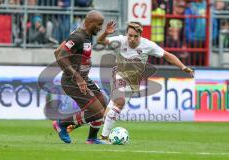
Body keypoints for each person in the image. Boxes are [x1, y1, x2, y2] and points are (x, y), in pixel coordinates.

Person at [96, 21, 194, 140]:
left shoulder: (148, 45)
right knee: (120, 102)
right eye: (130, 35)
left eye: (135, 36)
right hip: (119, 76)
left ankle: (74, 124)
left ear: (140, 35)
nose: (132, 39)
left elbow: (167, 55)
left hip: (132, 83)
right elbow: (100, 41)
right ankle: (104, 137)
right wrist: (106, 33)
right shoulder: (121, 40)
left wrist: (183, 67)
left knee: (108, 114)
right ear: (127, 34)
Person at [52, 10, 107, 144]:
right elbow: (60, 56)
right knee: (98, 112)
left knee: (104, 104)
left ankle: (92, 139)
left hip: (84, 78)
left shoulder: (84, 35)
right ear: (90, 22)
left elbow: (57, 51)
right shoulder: (78, 37)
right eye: (99, 24)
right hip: (73, 81)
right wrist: (77, 77)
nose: (100, 28)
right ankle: (62, 124)